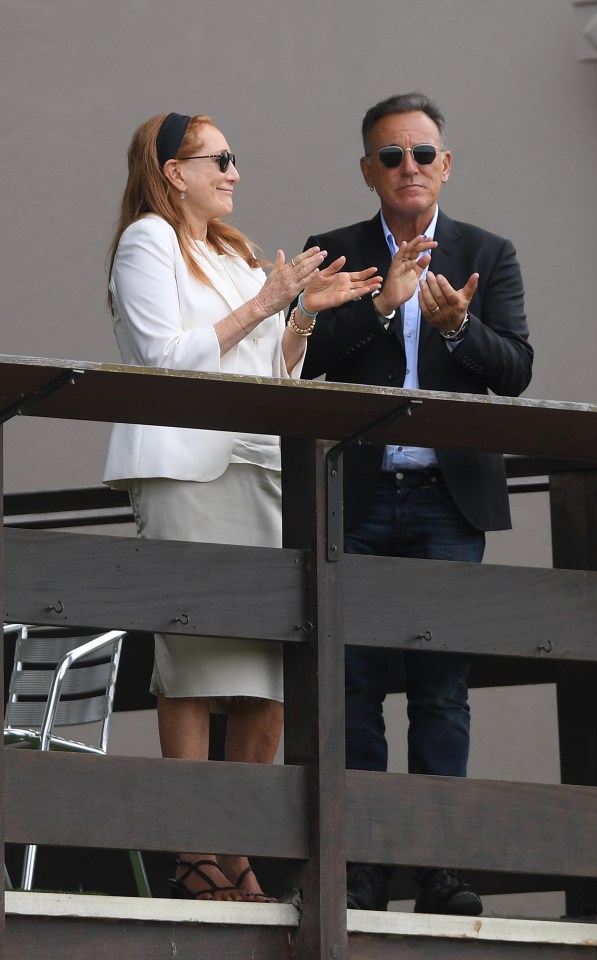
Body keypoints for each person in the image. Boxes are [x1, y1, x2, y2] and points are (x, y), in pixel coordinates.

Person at [102, 112, 381, 903]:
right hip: (189, 471)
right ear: (171, 172)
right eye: (218, 159)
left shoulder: (233, 250)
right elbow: (163, 360)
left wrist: (299, 316)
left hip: (261, 467)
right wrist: (267, 302)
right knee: (192, 666)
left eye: (234, 159)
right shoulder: (148, 242)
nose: (232, 171)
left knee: (269, 674)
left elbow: (272, 371)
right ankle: (194, 853)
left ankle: (241, 849)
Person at [300, 92, 533, 915]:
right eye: (391, 156)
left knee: (441, 690)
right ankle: (361, 866)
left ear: (446, 163)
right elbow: (306, 360)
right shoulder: (333, 251)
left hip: (446, 499)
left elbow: (516, 371)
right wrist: (383, 306)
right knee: (353, 687)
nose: (410, 168)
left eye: (423, 153)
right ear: (369, 169)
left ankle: (441, 865)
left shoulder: (487, 252)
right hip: (357, 498)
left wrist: (462, 329)